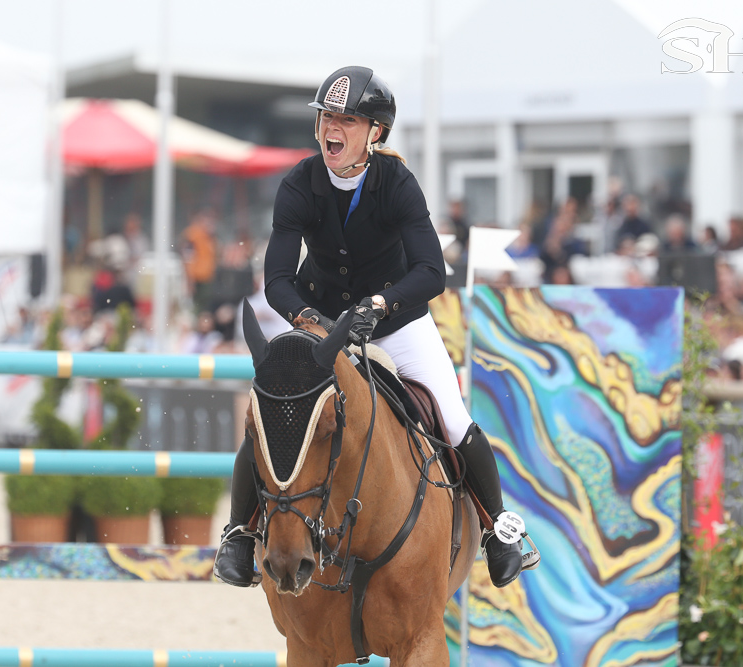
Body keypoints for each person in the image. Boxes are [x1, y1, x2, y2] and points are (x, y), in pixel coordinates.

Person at [212, 66, 529, 591]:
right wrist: (310, 320)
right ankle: (240, 536)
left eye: (347, 120)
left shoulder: (397, 183)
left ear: (374, 132)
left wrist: (380, 305)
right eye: (326, 117)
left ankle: (499, 529)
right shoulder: (299, 183)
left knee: (452, 419)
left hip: (397, 323)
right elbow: (277, 281)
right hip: (320, 326)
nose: (331, 128)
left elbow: (431, 271)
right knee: (271, 414)